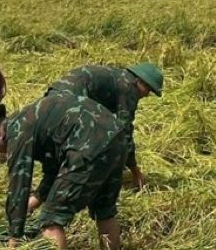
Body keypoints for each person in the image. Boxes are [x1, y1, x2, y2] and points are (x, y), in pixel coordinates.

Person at [0, 94, 127, 250]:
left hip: (87, 146)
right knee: (104, 208)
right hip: (117, 137)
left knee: (50, 219)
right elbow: (53, 170)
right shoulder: (31, 120)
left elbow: (18, 187)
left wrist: (14, 237)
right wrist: (35, 200)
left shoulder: (17, 132)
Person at [46, 62, 163, 190]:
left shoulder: (118, 76)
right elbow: (124, 132)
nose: (146, 95)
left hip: (54, 96)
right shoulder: (129, 87)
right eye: (149, 90)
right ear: (140, 82)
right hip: (70, 102)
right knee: (84, 148)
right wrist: (135, 171)